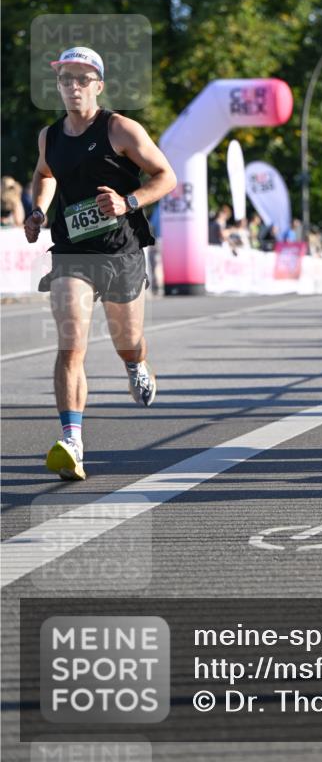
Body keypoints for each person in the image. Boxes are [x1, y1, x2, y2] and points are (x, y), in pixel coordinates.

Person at [24, 46, 176, 481]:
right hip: (72, 252)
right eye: (66, 78)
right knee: (71, 345)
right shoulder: (49, 136)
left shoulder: (121, 129)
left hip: (120, 251)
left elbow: (166, 176)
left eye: (82, 79)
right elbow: (44, 174)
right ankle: (72, 441)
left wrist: (127, 202)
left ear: (99, 85)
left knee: (127, 341)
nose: (73, 86)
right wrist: (37, 210)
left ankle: (136, 365)